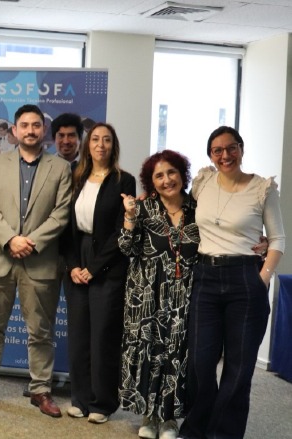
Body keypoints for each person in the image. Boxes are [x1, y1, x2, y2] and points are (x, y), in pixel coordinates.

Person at [0, 104, 72, 418]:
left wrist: (30, 242)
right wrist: (11, 240)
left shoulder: (60, 168)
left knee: (41, 331)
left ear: (43, 130)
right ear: (15, 130)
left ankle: (41, 390)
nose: (30, 130)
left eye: (36, 125)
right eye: (24, 125)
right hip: (1, 257)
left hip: (40, 259)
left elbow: (61, 213)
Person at [179, 126, 285, 439]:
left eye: (231, 148)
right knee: (199, 362)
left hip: (245, 278)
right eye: (218, 150)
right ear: (210, 155)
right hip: (206, 276)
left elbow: (278, 240)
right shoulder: (203, 183)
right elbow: (176, 205)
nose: (225, 155)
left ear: (241, 148)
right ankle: (196, 429)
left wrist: (262, 278)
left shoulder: (262, 188)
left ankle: (223, 434)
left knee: (238, 368)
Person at [118, 150, 199, 439]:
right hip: (146, 295)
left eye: (172, 172)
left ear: (182, 174)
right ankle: (148, 416)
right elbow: (126, 248)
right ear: (151, 181)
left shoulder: (198, 208)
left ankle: (170, 420)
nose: (167, 180)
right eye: (159, 176)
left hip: (185, 296)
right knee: (148, 354)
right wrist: (129, 217)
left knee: (177, 354)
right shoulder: (143, 208)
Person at [63, 122, 136, 424]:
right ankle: (79, 399)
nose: (100, 145)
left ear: (113, 146)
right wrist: (73, 266)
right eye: (95, 139)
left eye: (107, 140)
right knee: (79, 334)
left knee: (103, 335)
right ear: (87, 144)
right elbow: (65, 225)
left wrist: (93, 269)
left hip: (107, 263)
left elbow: (121, 230)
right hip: (76, 257)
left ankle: (102, 403)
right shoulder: (75, 176)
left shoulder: (123, 180)